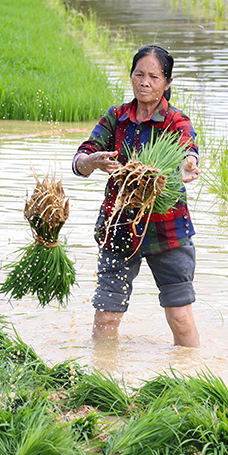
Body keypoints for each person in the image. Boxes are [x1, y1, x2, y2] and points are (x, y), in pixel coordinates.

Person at [72, 45, 201, 347]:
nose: (144, 82)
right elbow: (82, 158)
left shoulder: (176, 122)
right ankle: (101, 378)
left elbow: (188, 150)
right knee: (106, 316)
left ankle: (193, 379)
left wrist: (189, 164)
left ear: (167, 83)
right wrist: (92, 161)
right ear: (131, 76)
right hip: (119, 228)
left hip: (167, 231)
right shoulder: (117, 118)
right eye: (139, 74)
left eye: (153, 77)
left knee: (180, 316)